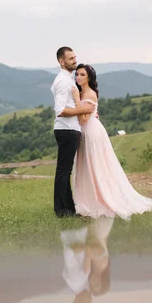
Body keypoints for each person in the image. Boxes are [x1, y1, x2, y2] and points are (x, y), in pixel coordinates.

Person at [72, 63, 152, 220]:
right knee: (85, 165)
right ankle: (87, 198)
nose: (78, 77)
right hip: (86, 131)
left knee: (95, 165)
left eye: (82, 75)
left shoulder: (90, 94)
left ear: (89, 78)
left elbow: (84, 118)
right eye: (77, 74)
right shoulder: (82, 93)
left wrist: (75, 101)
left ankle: (99, 198)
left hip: (91, 131)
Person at [51, 47, 96, 218]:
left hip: (70, 129)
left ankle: (68, 209)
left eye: (74, 57)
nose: (74, 60)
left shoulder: (68, 79)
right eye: (70, 58)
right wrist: (83, 109)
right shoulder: (63, 81)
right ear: (61, 61)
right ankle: (62, 211)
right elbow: (60, 110)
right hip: (66, 129)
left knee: (66, 171)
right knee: (63, 171)